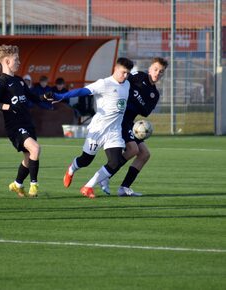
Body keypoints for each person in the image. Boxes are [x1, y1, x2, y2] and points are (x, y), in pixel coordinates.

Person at [54, 57, 134, 199]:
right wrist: (60, 95)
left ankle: (88, 186)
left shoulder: (127, 84)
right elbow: (81, 91)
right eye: (123, 72)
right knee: (86, 160)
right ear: (115, 69)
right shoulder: (104, 84)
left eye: (128, 73)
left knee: (115, 162)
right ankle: (71, 169)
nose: (125, 76)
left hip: (114, 131)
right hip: (98, 130)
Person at [99, 57, 168, 197]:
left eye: (161, 72)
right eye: (155, 69)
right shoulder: (137, 76)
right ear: (150, 69)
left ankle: (124, 187)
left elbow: (145, 112)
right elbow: (121, 83)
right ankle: (105, 175)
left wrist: (136, 98)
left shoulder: (154, 94)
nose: (157, 73)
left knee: (144, 154)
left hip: (130, 122)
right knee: (133, 149)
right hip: (119, 118)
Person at [0, 45, 54, 198]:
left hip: (27, 123)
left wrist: (44, 98)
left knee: (28, 157)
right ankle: (34, 185)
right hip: (14, 126)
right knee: (35, 149)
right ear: (7, 61)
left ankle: (17, 184)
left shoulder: (20, 81)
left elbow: (33, 97)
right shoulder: (1, 82)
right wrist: (8, 106)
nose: (19, 62)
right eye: (16, 59)